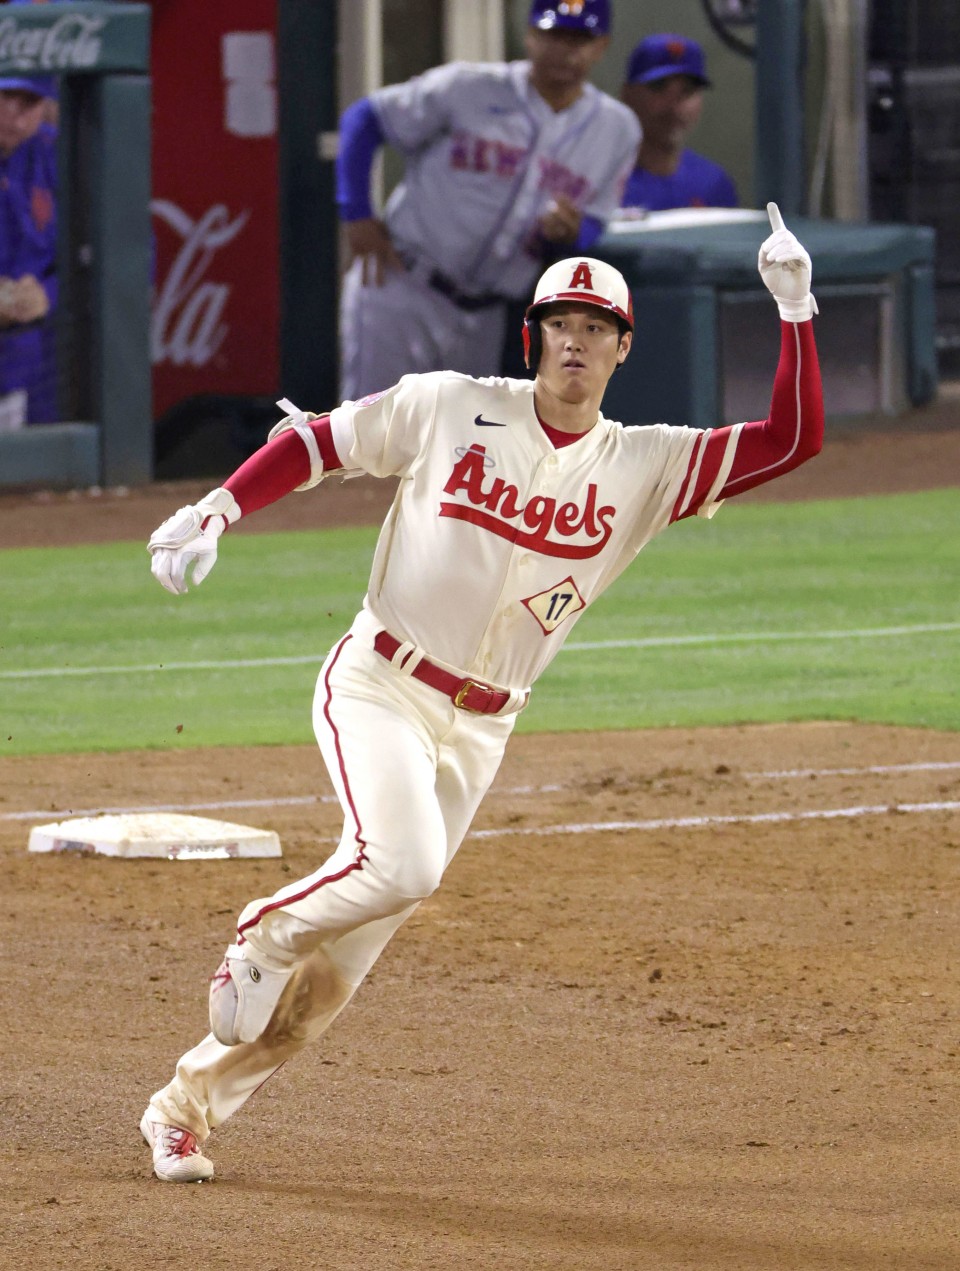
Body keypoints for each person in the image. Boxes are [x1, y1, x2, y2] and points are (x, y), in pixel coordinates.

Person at [140, 203, 822, 1183]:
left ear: (623, 348)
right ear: (533, 336)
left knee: (339, 976)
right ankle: (264, 929)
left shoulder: (646, 465)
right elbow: (325, 441)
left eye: (597, 328)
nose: (576, 341)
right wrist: (220, 505)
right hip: (380, 680)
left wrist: (794, 308)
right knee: (404, 863)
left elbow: (791, 439)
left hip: (483, 727)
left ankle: (184, 1108)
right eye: (560, 323)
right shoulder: (451, 403)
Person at [336, 0, 639, 400]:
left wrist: (571, 235)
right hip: (405, 287)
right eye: (554, 35)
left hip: (488, 315)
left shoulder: (616, 129)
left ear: (601, 46)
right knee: (368, 442)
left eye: (580, 38)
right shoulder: (468, 86)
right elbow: (365, 118)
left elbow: (596, 221)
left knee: (457, 450)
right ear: (531, 36)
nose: (566, 50)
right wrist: (356, 212)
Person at [619, 33, 739, 213]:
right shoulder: (600, 179)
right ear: (627, 95)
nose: (674, 105)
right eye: (659, 87)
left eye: (687, 91)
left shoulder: (713, 183)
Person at [0, 72, 58, 428]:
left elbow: (126, 258)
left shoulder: (65, 154)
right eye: (5, 99)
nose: (15, 116)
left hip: (41, 358)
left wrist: (49, 294)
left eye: (29, 103)